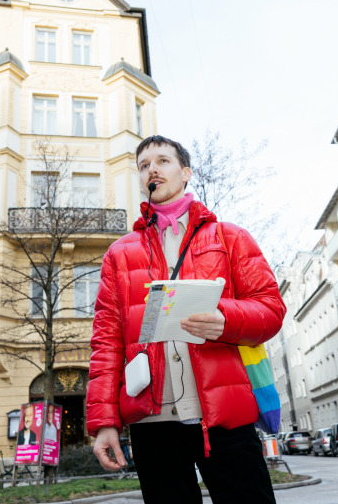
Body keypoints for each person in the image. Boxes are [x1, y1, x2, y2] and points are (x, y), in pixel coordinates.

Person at [86, 135, 285, 504]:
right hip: (152, 421)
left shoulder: (230, 237)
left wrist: (225, 319)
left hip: (226, 414)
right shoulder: (119, 254)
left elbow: (271, 310)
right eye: (144, 165)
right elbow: (106, 342)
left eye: (162, 161)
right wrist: (104, 423)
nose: (152, 170)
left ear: (186, 172)